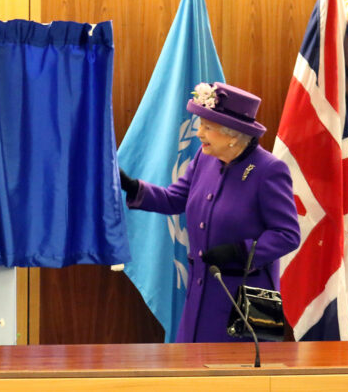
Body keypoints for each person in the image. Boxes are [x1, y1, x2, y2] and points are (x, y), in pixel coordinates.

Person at [120, 82, 299, 343]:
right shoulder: (205, 159)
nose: (198, 133)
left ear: (233, 135)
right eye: (200, 125)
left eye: (207, 127)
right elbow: (174, 199)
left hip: (245, 302)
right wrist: (132, 186)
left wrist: (241, 251)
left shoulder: (269, 170)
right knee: (192, 375)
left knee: (236, 380)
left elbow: (287, 234)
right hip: (200, 297)